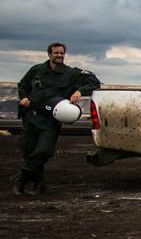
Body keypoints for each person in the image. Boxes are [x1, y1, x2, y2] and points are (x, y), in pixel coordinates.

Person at [13, 42, 101, 195]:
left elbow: (94, 81)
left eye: (62, 53)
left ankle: (21, 180)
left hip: (50, 121)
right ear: (49, 54)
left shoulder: (71, 73)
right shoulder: (36, 70)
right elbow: (23, 85)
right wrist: (23, 97)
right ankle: (37, 184)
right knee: (28, 150)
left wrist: (80, 92)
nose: (59, 56)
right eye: (56, 53)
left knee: (43, 151)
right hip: (31, 117)